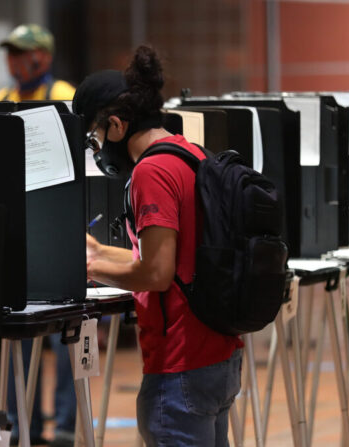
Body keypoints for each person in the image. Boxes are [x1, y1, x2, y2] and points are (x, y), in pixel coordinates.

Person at [73, 46, 243, 447]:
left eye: (94, 137)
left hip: (179, 364)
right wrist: (97, 253)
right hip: (218, 354)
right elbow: (174, 256)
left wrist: (90, 269)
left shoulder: (151, 170)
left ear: (115, 125)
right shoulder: (189, 154)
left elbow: (156, 272)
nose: (97, 150)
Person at [0, 23, 76, 447]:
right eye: (9, 52)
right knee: (15, 332)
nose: (13, 61)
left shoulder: (65, 95)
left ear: (42, 57)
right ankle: (18, 422)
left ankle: (64, 426)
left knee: (65, 337)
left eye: (21, 53)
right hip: (15, 231)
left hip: (57, 230)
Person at [0, 24, 75, 101]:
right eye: (11, 52)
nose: (14, 59)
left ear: (46, 57)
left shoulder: (64, 97)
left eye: (21, 51)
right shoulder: (0, 100)